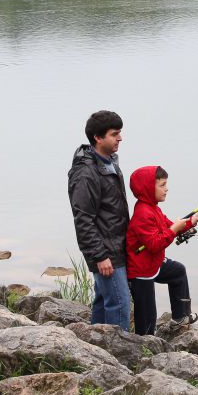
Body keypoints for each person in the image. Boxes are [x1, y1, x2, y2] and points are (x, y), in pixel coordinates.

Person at [126, 165, 198, 335]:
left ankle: (180, 318)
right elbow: (155, 244)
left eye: (166, 184)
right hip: (141, 271)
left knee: (178, 271)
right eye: (162, 185)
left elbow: (169, 225)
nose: (166, 189)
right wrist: (173, 230)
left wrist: (192, 220)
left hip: (153, 263)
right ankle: (144, 347)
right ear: (148, 188)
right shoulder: (143, 213)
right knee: (148, 318)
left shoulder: (153, 208)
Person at [68, 110, 131, 331]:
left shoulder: (109, 161)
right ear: (98, 137)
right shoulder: (85, 173)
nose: (120, 138)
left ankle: (94, 347)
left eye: (120, 133)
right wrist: (100, 255)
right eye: (115, 134)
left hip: (116, 246)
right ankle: (118, 357)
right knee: (120, 304)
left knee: (104, 302)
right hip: (106, 252)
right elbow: (83, 219)